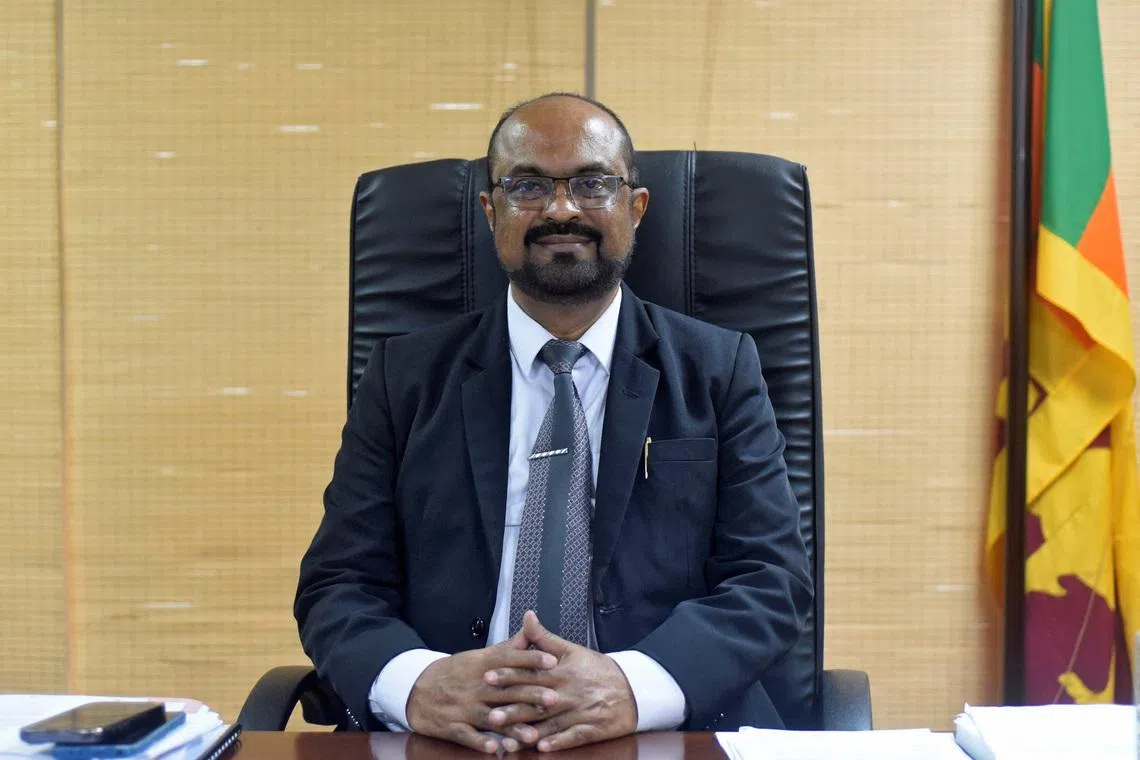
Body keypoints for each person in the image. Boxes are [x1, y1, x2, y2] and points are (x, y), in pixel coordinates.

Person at [295, 92, 813, 754]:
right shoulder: (405, 377)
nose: (561, 210)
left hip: (660, 731)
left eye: (593, 184)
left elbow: (770, 579)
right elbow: (339, 583)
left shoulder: (718, 369)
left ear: (636, 207)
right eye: (528, 186)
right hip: (452, 737)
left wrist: (633, 686)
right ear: (491, 212)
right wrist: (417, 683)